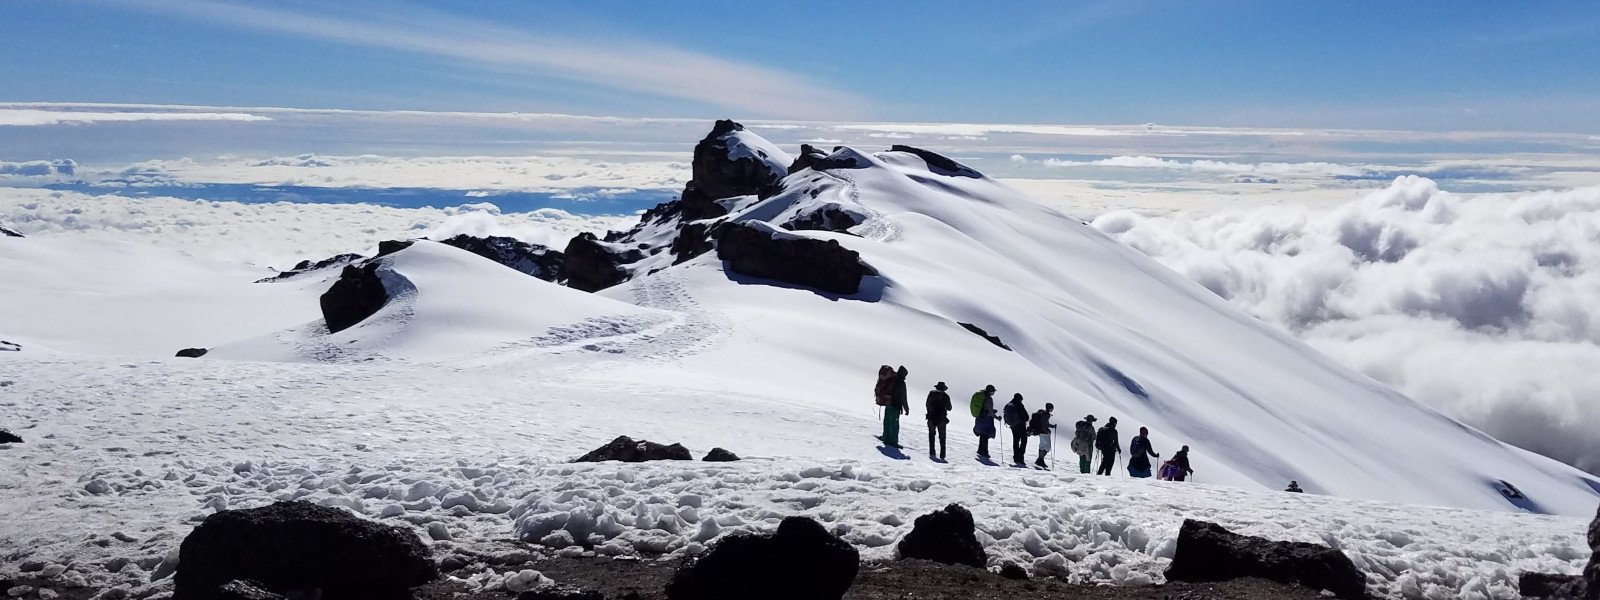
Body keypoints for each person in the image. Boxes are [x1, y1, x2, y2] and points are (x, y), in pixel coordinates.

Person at [881, 366, 910, 448]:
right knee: (894, 424)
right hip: (895, 406)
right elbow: (904, 397)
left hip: (888, 403)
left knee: (887, 421)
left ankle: (885, 437)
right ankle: (893, 442)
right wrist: (906, 408)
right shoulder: (901, 383)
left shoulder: (891, 379)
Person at [970, 384, 999, 460]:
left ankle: (980, 450)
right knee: (985, 435)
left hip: (980, 417)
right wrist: (997, 417)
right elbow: (990, 411)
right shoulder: (988, 399)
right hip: (986, 419)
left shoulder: (982, 396)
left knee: (982, 435)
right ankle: (984, 452)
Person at [925, 382, 952, 460]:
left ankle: (932, 452)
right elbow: (949, 408)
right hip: (942, 419)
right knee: (942, 437)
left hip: (931, 417)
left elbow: (927, 404)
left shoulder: (931, 393)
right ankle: (942, 455)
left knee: (931, 435)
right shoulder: (945, 396)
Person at [1002, 393, 1029, 466]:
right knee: (1024, 441)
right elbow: (1026, 416)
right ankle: (1020, 458)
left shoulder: (1008, 405)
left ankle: (1016, 457)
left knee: (1015, 441)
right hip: (1021, 425)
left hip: (1013, 426)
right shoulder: (1019, 405)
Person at [1027, 403, 1056, 468]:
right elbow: (1044, 424)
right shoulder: (1046, 414)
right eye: (1052, 408)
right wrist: (1047, 430)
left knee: (1042, 446)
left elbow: (1045, 423)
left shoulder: (1042, 413)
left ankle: (1040, 460)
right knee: (1047, 447)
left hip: (1040, 432)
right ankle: (1040, 460)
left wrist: (1052, 426)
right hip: (1044, 432)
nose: (1052, 409)